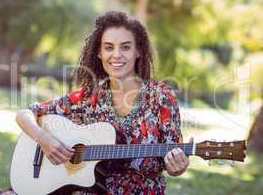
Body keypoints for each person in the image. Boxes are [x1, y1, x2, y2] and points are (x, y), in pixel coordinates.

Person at [15, 11, 190, 195]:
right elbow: (25, 113)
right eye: (108, 47)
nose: (116, 55)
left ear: (138, 50)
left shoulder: (162, 97)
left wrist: (177, 167)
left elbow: (173, 160)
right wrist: (45, 140)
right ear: (99, 53)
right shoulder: (89, 97)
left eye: (125, 47)